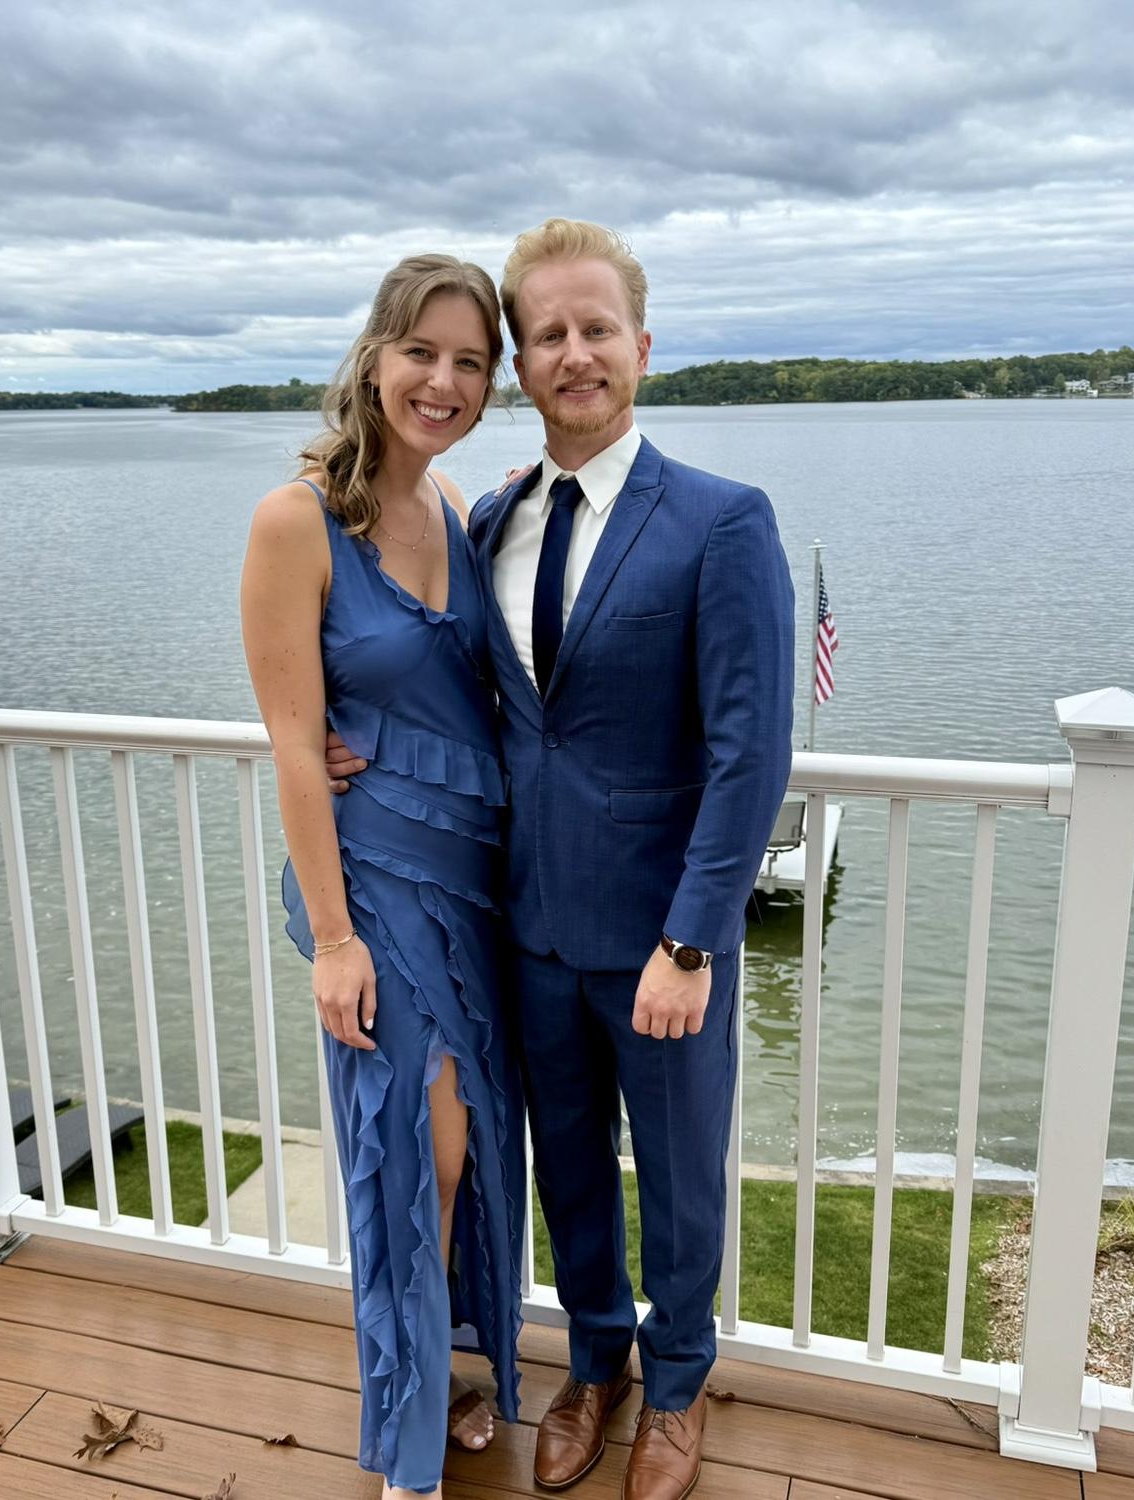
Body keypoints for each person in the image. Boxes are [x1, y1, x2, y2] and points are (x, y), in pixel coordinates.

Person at [332, 219, 794, 1500]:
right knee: (570, 1172)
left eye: (598, 329)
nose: (575, 353)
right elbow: (441, 679)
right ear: (521, 368)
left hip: (660, 943)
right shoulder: (491, 520)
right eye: (548, 335)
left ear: (642, 346)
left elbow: (751, 753)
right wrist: (335, 732)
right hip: (524, 929)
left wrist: (693, 938)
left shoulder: (720, 521)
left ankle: (678, 1387)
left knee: (682, 1182)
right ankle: (596, 1367)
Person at [241, 254, 525, 1500]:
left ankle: (446, 1368)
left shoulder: (455, 504)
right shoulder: (294, 521)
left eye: (470, 361)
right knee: (418, 1144)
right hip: (376, 889)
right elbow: (294, 744)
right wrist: (334, 938)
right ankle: (405, 1435)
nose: (443, 381)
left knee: (469, 1144)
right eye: (422, 352)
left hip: (475, 879)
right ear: (374, 357)